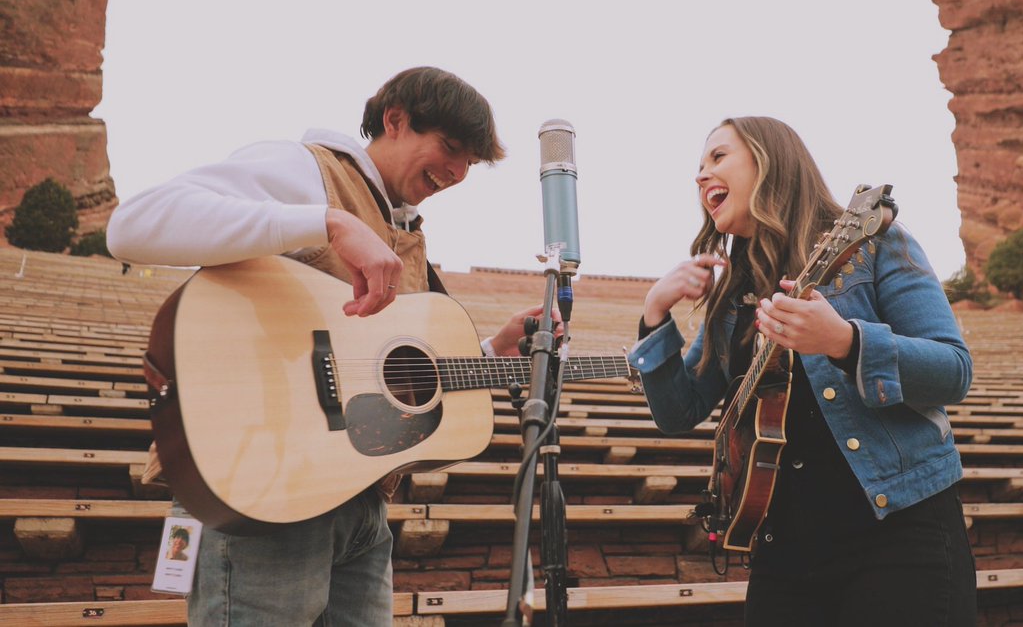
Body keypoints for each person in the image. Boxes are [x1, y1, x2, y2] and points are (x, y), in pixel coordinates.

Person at [107, 66, 546, 626]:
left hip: (359, 504)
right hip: (267, 490)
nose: (458, 172)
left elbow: (379, 367)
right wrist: (327, 222)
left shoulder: (405, 230)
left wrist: (490, 353)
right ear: (395, 120)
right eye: (451, 147)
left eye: (470, 163)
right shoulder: (304, 168)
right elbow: (132, 227)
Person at [627, 116, 976, 626]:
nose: (701, 176)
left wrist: (845, 342)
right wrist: (654, 315)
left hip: (898, 531)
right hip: (783, 552)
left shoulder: (874, 244)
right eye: (698, 167)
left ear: (771, 162)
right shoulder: (731, 300)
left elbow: (953, 370)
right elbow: (679, 412)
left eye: (718, 158)